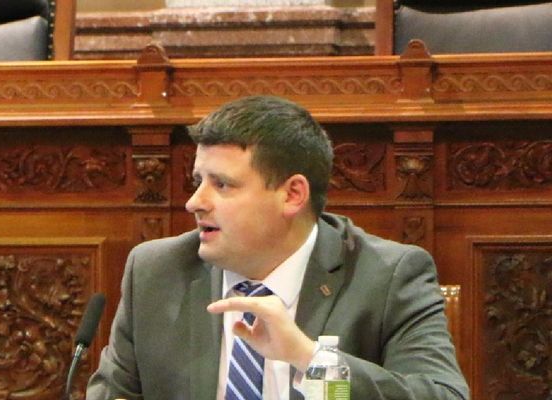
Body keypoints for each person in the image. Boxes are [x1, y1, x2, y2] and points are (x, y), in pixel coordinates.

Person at [86, 96, 468, 400]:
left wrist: (309, 358)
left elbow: (442, 394)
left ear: (292, 194)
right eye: (198, 180)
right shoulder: (157, 270)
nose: (194, 202)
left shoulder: (387, 276)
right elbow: (114, 392)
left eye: (222, 185)